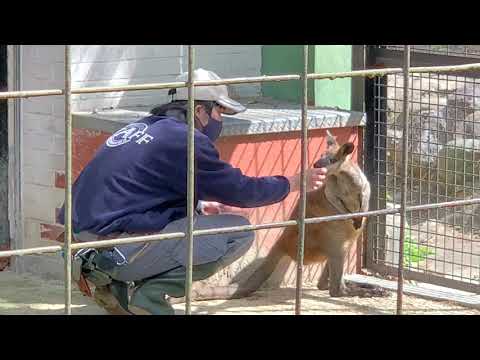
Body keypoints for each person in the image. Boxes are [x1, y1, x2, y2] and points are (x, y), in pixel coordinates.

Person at [57, 68, 327, 315]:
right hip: (115, 253)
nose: (220, 120)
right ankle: (148, 296)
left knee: (198, 223)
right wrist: (292, 183)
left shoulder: (140, 128)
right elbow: (242, 191)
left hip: (81, 249)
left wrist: (196, 208)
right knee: (238, 232)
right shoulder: (185, 140)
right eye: (219, 112)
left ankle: (113, 288)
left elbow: (139, 191)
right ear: (200, 111)